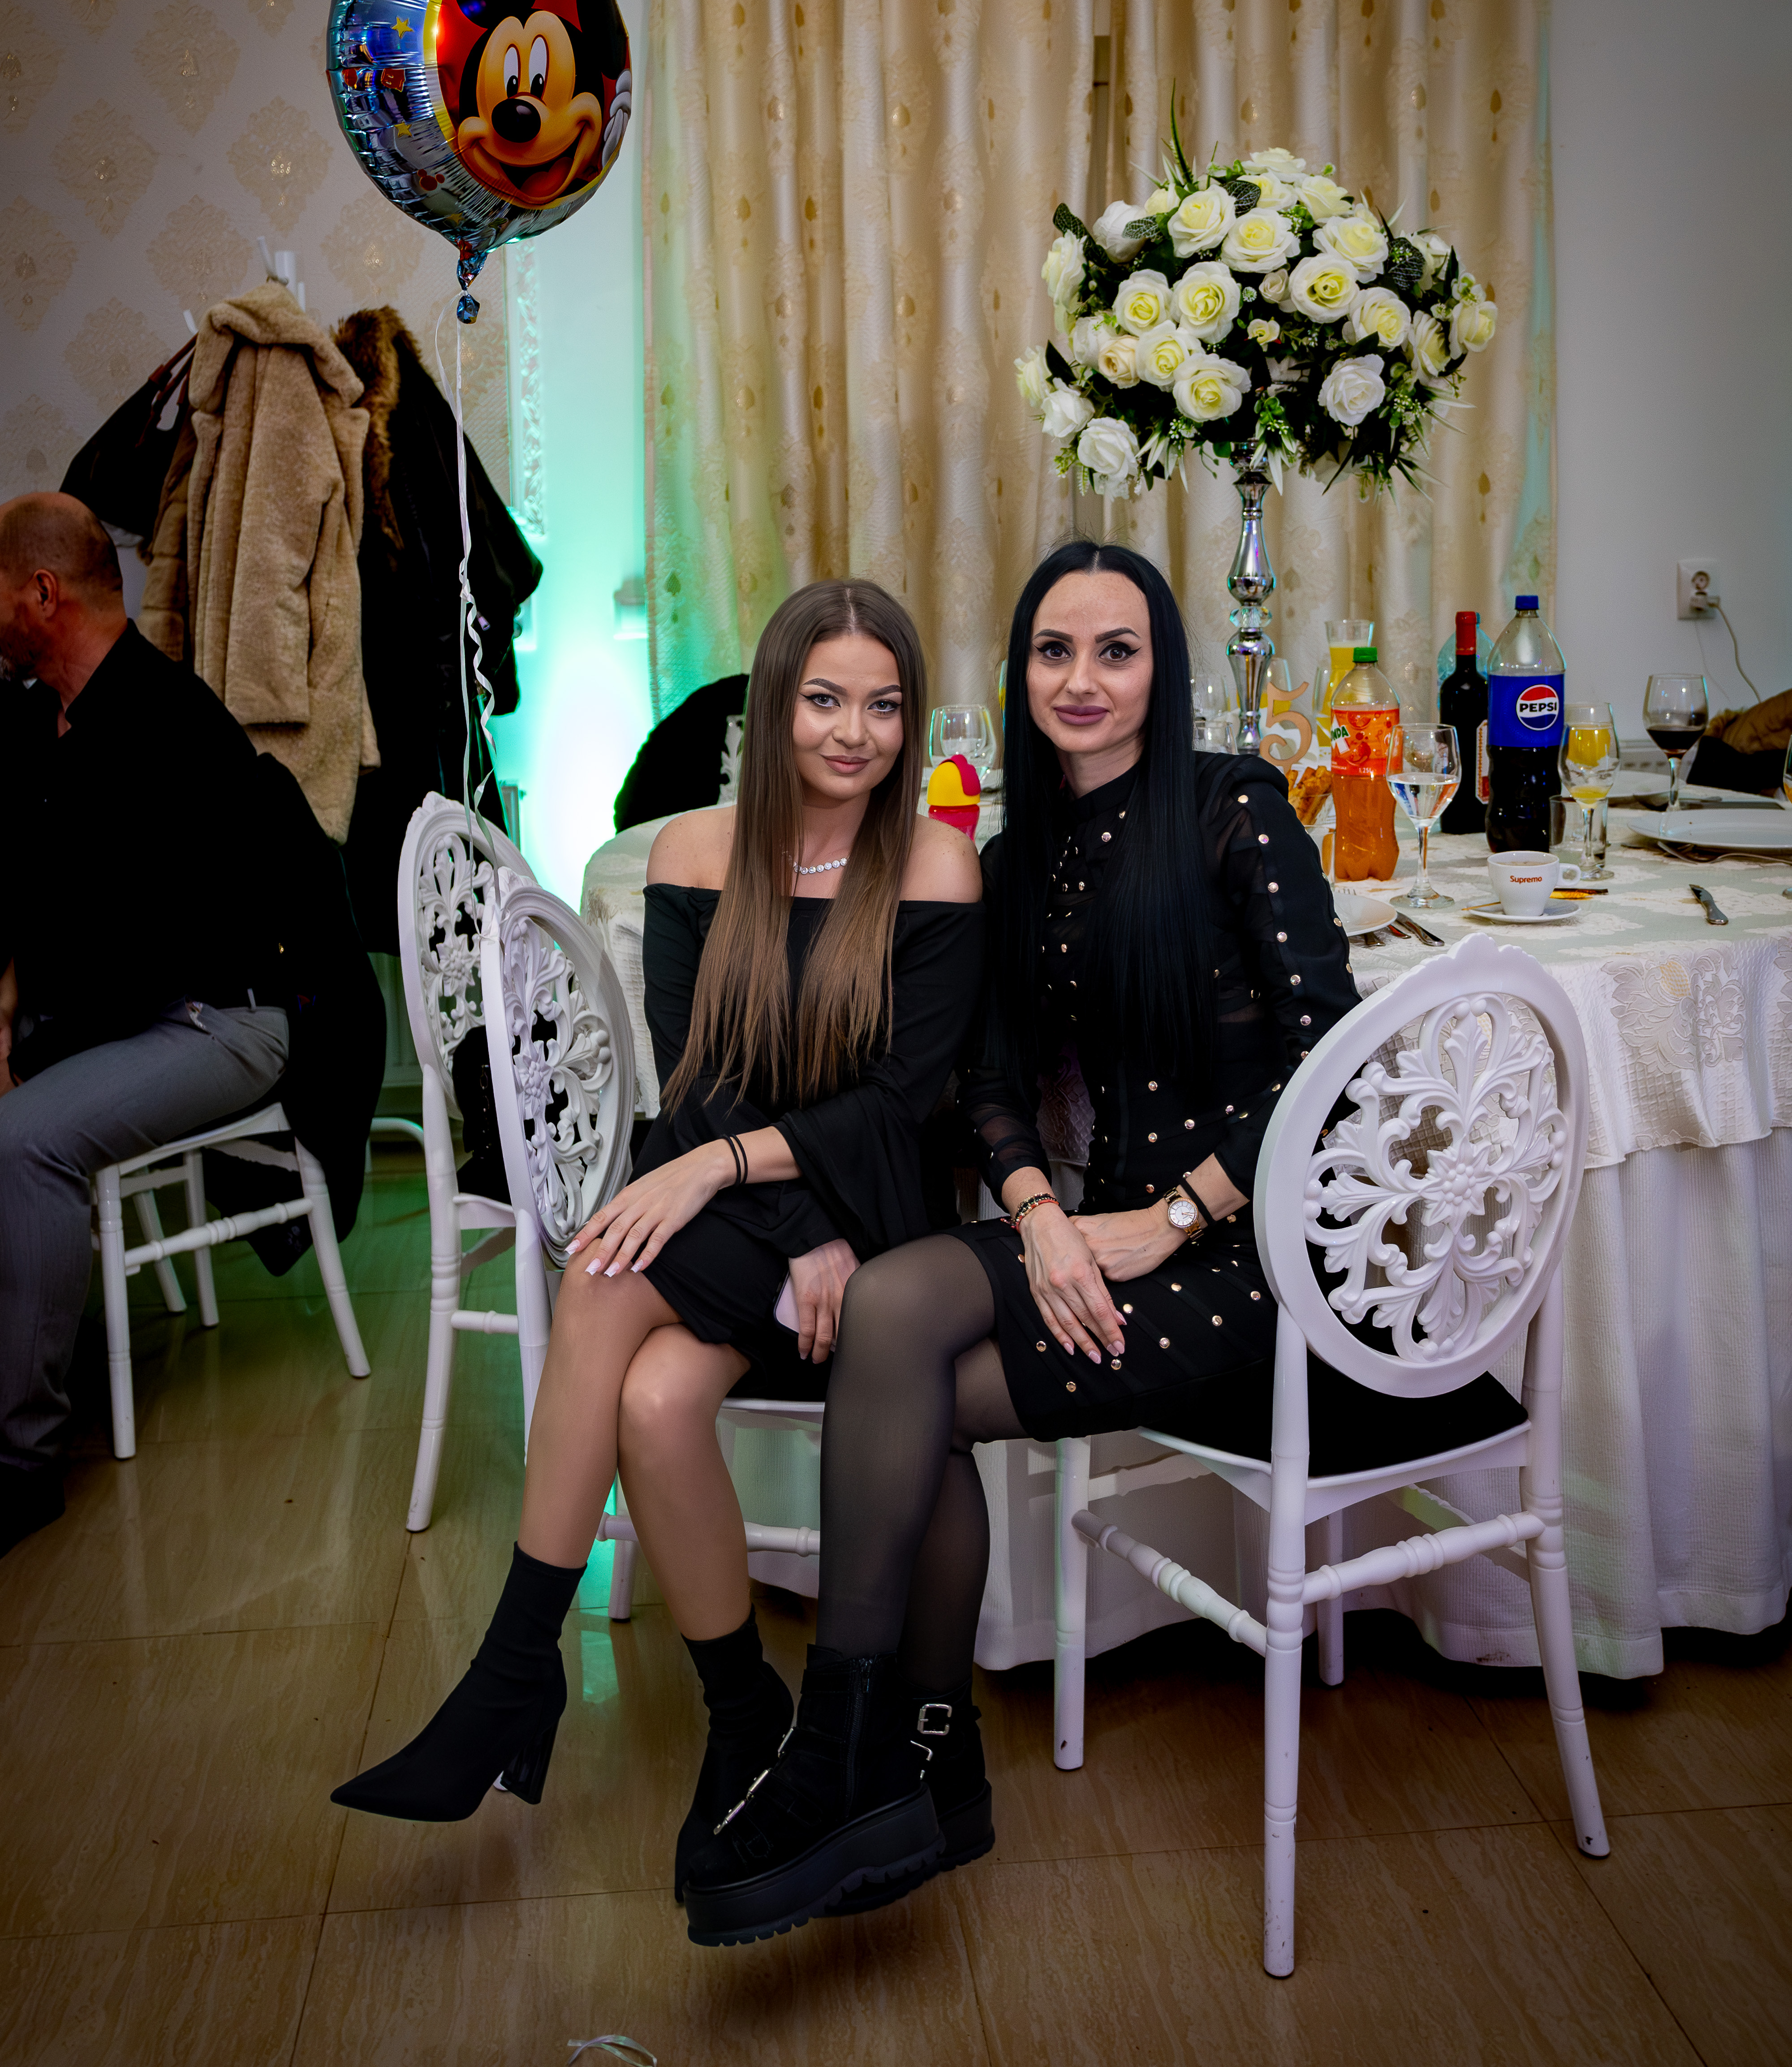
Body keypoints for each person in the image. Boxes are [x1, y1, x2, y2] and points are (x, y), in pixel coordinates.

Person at [680, 540, 1360, 1946]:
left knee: (906, 1383)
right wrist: (1043, 1217)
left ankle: (882, 1764)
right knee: (893, 1311)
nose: (1082, 679)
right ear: (1019, 671)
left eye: (1117, 650)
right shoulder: (1013, 856)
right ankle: (890, 1754)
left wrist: (1174, 1217)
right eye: (1055, 650)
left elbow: (1332, 1059)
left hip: (1253, 1256)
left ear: (1164, 668)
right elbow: (984, 1082)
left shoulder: (1235, 808)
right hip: (1097, 1231)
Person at [332, 580, 985, 1900]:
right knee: (649, 1389)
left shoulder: (933, 863)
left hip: (878, 1223)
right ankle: (741, 1716)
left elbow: (899, 1104)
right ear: (773, 701)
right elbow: (699, 1078)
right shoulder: (692, 851)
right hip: (751, 1210)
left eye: (882, 706)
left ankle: (514, 1679)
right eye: (823, 699)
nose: (852, 733)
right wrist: (787, 1225)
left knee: (603, 1272)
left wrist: (793, 1214)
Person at [0, 493, 292, 1556]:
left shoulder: (167, 723)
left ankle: (21, 1463)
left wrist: (25, 1047)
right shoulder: (38, 720)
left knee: (23, 1142)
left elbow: (131, 956)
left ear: (42, 593)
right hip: (131, 1013)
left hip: (221, 1020)